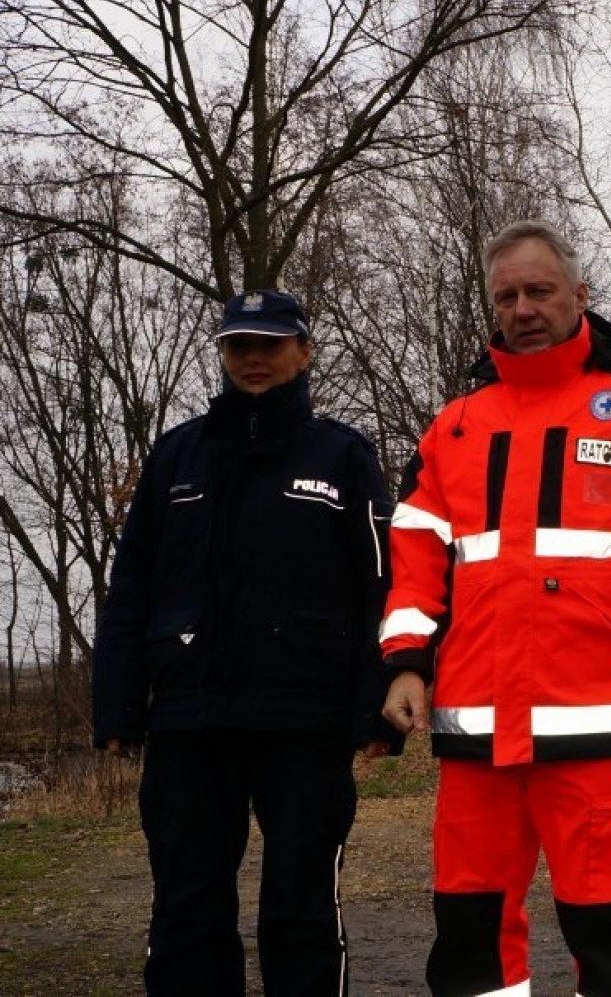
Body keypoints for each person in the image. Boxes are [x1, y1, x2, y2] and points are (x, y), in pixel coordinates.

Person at [380, 219, 611, 997]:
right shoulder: (455, 427)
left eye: (539, 291)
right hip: (477, 731)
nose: (522, 309)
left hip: (598, 725)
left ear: (580, 295)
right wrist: (406, 662)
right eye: (506, 296)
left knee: (607, 940)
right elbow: (414, 562)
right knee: (469, 940)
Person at [92, 289, 401, 996]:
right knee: (186, 908)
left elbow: (382, 588)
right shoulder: (177, 456)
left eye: (270, 344)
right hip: (189, 722)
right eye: (239, 345)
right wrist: (117, 706)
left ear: (304, 352)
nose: (253, 358)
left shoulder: (344, 457)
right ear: (224, 354)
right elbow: (131, 586)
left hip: (306, 724)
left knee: (301, 909)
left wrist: (374, 708)